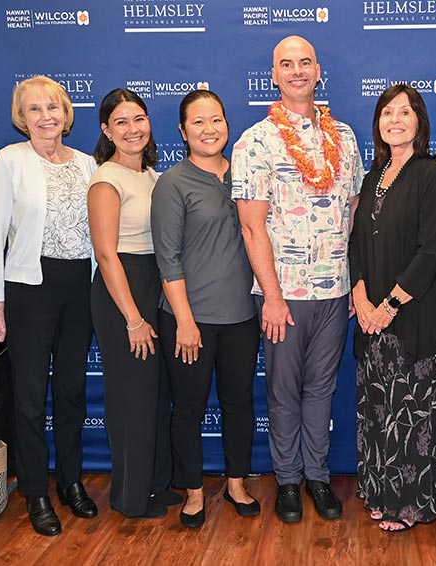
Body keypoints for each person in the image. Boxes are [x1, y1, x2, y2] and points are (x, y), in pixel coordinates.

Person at [231, 35, 364, 523]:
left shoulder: (345, 137)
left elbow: (353, 210)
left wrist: (354, 281)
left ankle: (318, 478)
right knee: (283, 392)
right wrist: (271, 295)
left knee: (321, 390)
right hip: (284, 293)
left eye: (304, 62)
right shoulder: (255, 141)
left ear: (317, 69)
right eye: (286, 64)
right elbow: (251, 224)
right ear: (273, 75)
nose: (296, 71)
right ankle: (287, 481)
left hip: (335, 290)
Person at [0, 75, 98, 536]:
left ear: (66, 113)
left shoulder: (89, 164)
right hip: (28, 287)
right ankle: (35, 492)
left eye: (53, 107)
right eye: (35, 109)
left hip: (79, 287)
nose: (46, 116)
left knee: (70, 391)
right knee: (30, 398)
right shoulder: (10, 160)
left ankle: (71, 483)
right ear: (21, 117)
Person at [151, 90, 261, 529]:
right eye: (198, 122)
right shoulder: (172, 183)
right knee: (190, 406)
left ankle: (236, 483)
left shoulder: (246, 174)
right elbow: (168, 259)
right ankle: (193, 490)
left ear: (227, 125)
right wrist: (185, 321)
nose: (209, 129)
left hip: (241, 315)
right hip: (188, 319)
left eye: (216, 120)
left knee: (238, 403)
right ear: (182, 131)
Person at [349, 84, 436, 532]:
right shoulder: (373, 178)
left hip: (410, 316)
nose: (395, 120)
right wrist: (360, 296)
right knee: (376, 410)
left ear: (419, 122)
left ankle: (411, 504)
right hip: (370, 317)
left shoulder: (432, 174)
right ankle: (379, 492)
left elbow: (431, 250)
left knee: (409, 414)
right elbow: (354, 244)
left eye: (404, 112)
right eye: (386, 112)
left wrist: (388, 304)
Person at [88, 88, 178, 520]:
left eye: (138, 119)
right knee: (132, 398)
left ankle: (157, 485)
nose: (132, 129)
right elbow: (106, 254)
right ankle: (130, 496)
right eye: (121, 122)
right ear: (106, 130)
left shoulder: (154, 176)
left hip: (152, 285)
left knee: (156, 393)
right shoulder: (107, 178)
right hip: (121, 293)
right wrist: (133, 320)